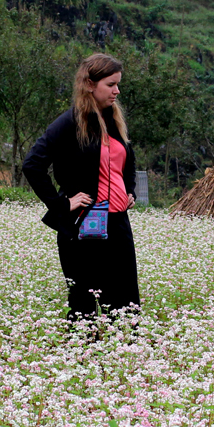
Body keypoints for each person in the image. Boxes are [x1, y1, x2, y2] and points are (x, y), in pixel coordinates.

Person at [22, 53, 140, 320]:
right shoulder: (70, 122)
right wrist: (62, 204)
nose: (117, 91)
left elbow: (128, 162)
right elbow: (32, 165)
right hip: (84, 223)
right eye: (110, 85)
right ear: (89, 84)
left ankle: (124, 358)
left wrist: (130, 190)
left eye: (118, 84)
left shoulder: (115, 121)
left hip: (118, 224)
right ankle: (83, 357)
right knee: (85, 302)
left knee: (125, 302)